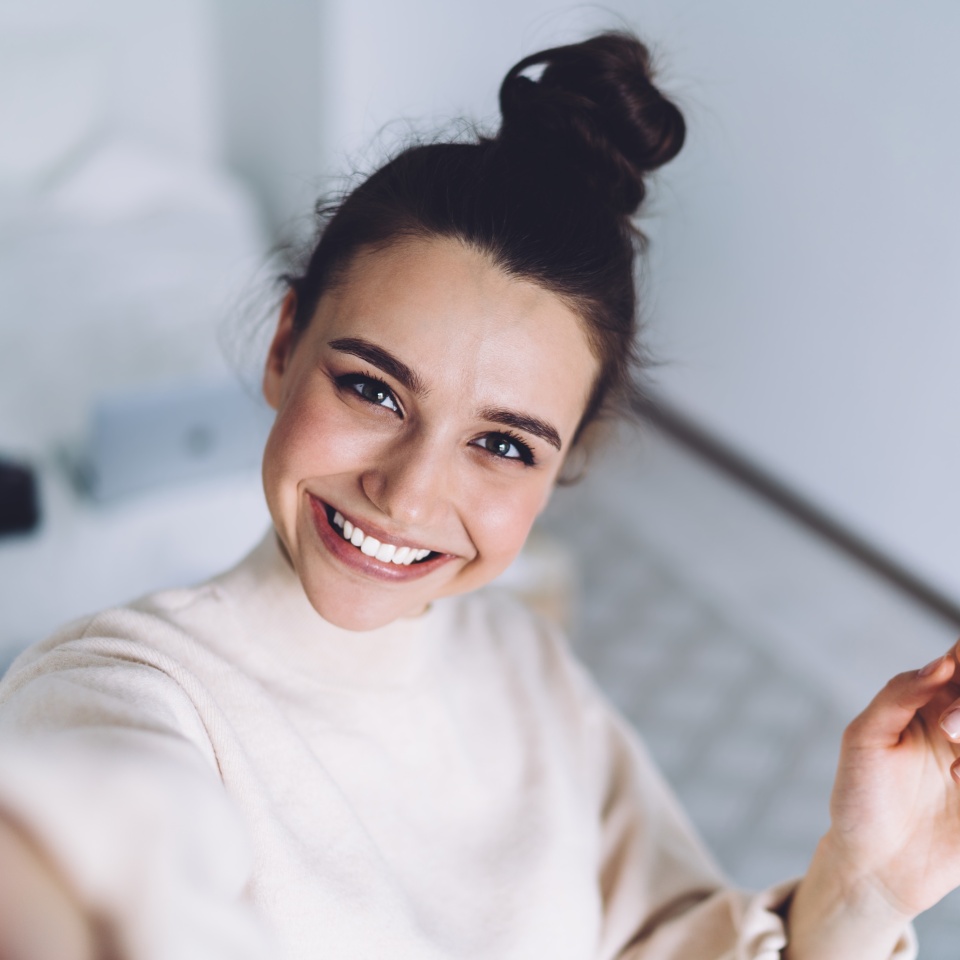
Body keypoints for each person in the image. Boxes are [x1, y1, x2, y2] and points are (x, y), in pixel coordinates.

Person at [0, 30, 959, 960]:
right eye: (373, 389)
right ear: (285, 345)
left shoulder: (521, 660)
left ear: (563, 467)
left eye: (501, 444)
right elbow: (107, 852)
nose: (408, 495)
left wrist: (861, 891)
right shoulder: (119, 693)